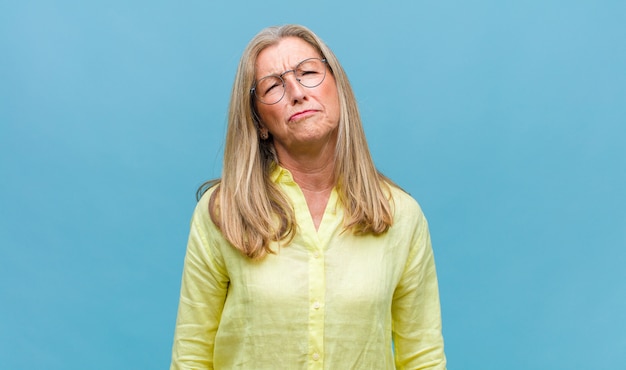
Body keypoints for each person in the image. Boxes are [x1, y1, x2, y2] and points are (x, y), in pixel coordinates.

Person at [170, 24, 446, 369]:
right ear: (259, 121)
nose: (297, 92)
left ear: (339, 88)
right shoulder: (223, 212)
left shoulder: (402, 215)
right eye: (273, 86)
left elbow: (423, 357)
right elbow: (191, 354)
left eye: (308, 73)